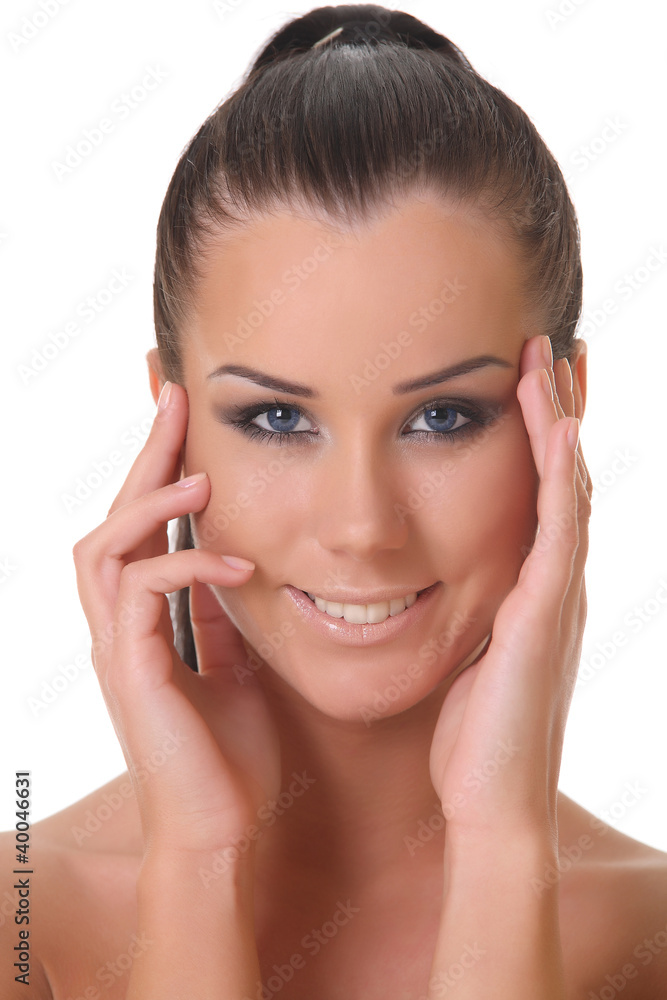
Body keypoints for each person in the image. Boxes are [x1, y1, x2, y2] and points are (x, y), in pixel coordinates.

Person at [2, 4, 666, 997]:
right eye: (276, 419)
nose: (360, 526)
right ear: (168, 419)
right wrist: (197, 863)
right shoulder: (25, 920)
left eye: (442, 416)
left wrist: (500, 847)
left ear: (559, 409)